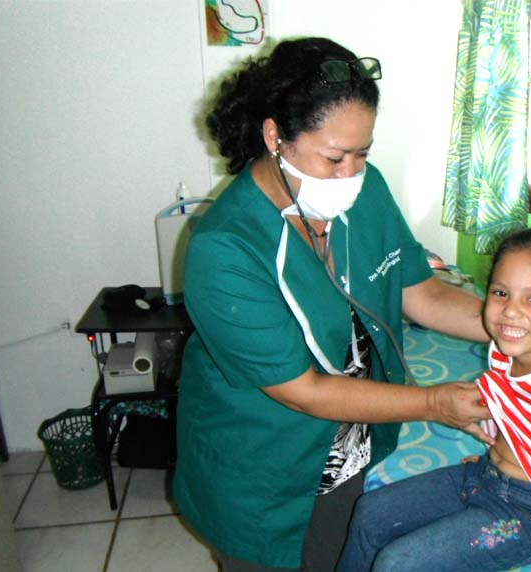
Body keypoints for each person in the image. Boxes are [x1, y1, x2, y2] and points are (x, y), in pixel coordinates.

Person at [172, 37, 492, 572]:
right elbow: (303, 392)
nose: (351, 174)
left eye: (362, 153)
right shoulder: (225, 248)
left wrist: (514, 325)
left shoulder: (366, 194)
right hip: (265, 468)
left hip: (348, 449)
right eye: (334, 157)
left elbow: (419, 291)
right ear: (275, 135)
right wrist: (436, 403)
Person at [338, 225, 531, 572]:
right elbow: (519, 406)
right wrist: (498, 447)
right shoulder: (503, 350)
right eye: (500, 293)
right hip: (483, 476)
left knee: (399, 563)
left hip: (528, 516)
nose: (511, 311)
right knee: (370, 512)